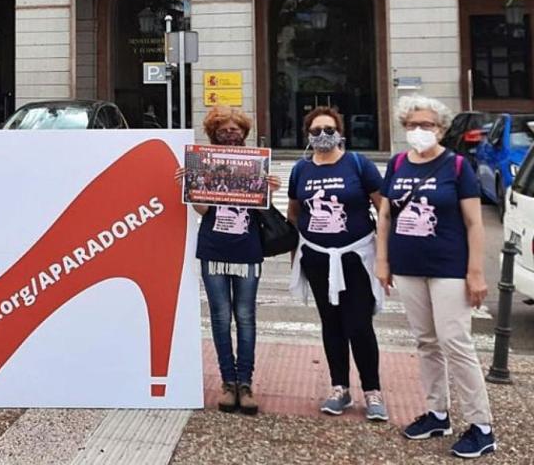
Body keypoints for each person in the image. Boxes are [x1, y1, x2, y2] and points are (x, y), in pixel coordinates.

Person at [376, 95, 496, 459]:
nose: (418, 131)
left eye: (426, 125)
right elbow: (385, 217)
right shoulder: (397, 163)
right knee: (426, 342)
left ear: (441, 129)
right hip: (409, 266)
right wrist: (383, 262)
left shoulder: (457, 167)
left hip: (449, 268)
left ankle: (482, 425)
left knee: (455, 342)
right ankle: (437, 412)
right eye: (412, 125)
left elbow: (475, 224)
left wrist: (475, 273)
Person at [176, 106, 280, 415]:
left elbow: (263, 212)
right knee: (221, 318)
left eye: (235, 130)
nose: (230, 135)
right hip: (214, 249)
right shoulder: (205, 164)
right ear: (213, 135)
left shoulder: (255, 165)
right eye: (223, 131)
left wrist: (268, 189)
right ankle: (228, 382)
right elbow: (203, 212)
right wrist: (192, 185)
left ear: (245, 134)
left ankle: (246, 383)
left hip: (247, 248)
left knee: (246, 317)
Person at [286, 107, 388, 421]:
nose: (322, 136)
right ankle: (339, 388)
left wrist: (385, 255)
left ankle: (373, 391)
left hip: (356, 257)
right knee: (331, 324)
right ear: (308, 135)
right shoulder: (300, 170)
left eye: (328, 129)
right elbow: (293, 213)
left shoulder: (359, 164)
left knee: (358, 325)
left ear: (340, 132)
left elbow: (383, 209)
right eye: (315, 131)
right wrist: (296, 258)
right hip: (316, 258)